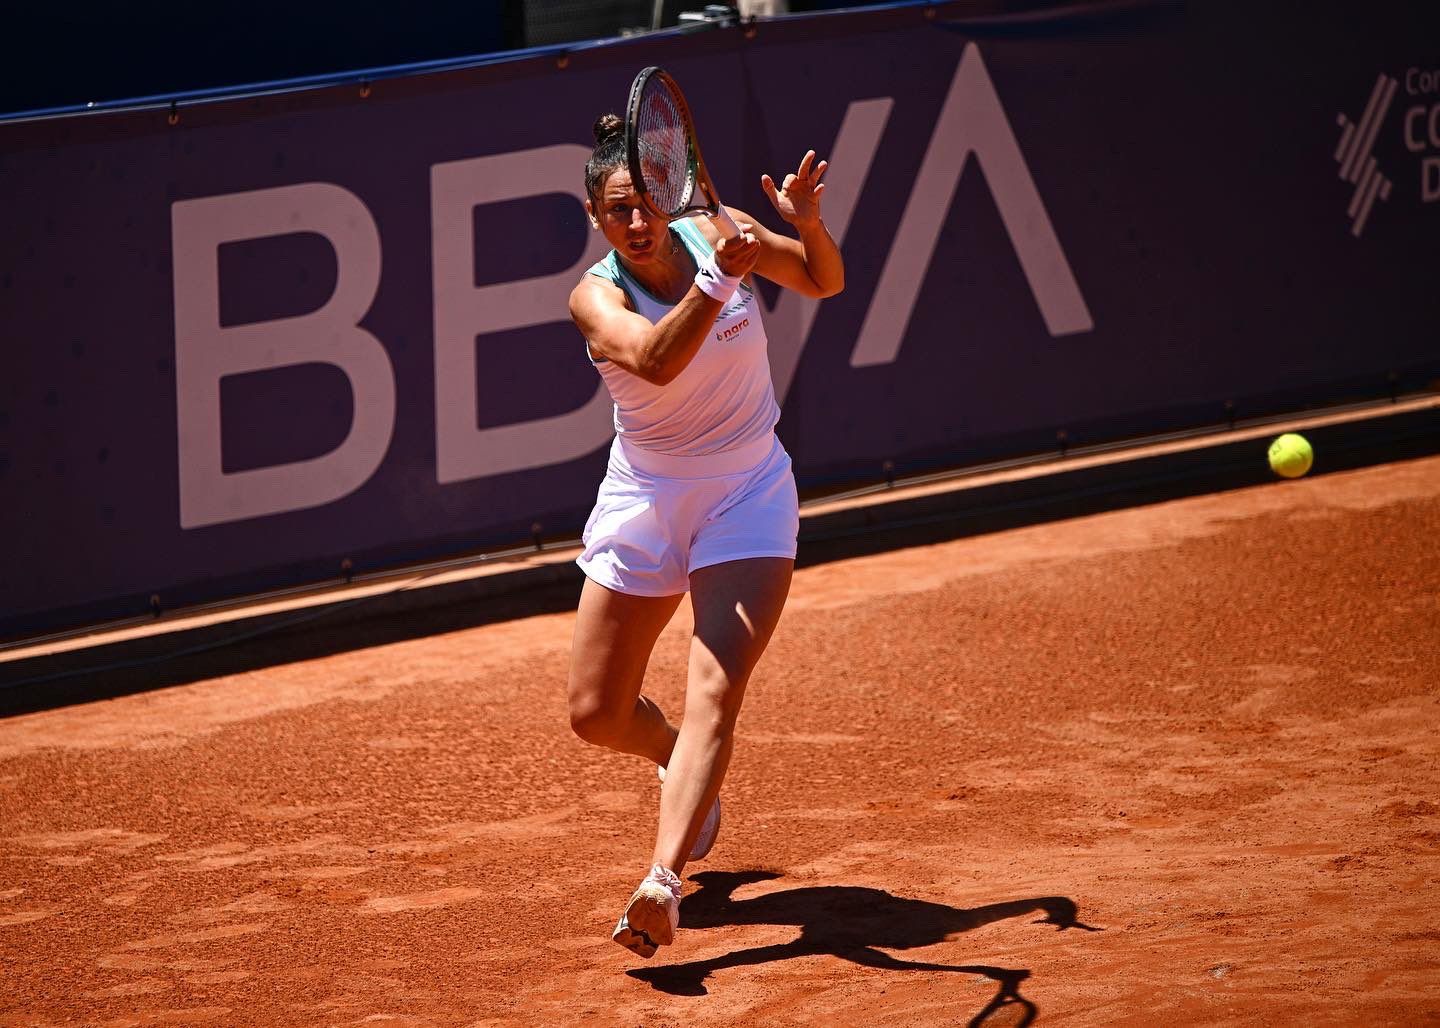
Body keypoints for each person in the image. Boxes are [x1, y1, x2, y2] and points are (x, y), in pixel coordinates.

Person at [567, 111, 843, 958]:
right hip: (646, 496)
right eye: (620, 210)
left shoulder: (718, 227)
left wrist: (807, 226)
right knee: (594, 714)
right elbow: (652, 360)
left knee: (716, 687)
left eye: (651, 200)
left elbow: (822, 282)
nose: (641, 221)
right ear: (597, 219)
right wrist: (717, 282)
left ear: (671, 188)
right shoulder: (595, 296)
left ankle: (661, 882)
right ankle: (677, 758)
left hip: (747, 490)